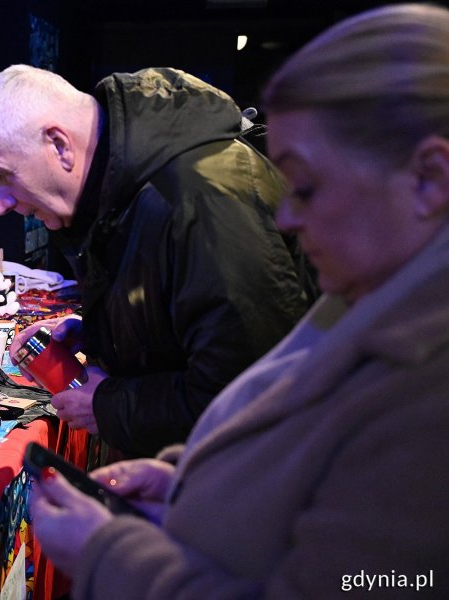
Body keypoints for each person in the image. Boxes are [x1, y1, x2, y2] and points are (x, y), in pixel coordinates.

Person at [28, 4, 449, 597]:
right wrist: (189, 480)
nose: (286, 215)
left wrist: (109, 553)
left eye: (305, 184)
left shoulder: (428, 389)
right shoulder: (368, 301)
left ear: (429, 179)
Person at [0, 65, 315, 458]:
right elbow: (190, 326)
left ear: (59, 144)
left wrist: (108, 406)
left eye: (2, 176)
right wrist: (105, 334)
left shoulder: (201, 198)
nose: (0, 203)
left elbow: (254, 393)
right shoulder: (132, 194)